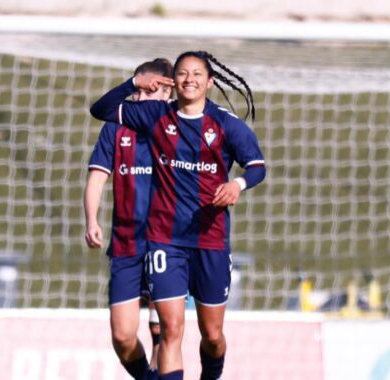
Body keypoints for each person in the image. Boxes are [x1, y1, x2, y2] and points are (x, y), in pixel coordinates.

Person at [90, 51, 266, 380]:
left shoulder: (226, 124)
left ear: (210, 82)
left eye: (197, 74)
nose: (190, 79)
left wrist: (238, 184)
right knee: (171, 331)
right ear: (175, 81)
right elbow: (100, 110)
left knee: (212, 336)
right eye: (183, 73)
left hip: (210, 240)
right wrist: (132, 83)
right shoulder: (156, 115)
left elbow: (257, 166)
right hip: (165, 241)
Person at [84, 58, 174, 380]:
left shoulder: (177, 123)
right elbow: (96, 178)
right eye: (145, 87)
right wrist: (91, 219)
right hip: (126, 244)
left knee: (164, 329)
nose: (149, 94)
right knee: (122, 336)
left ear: (167, 91)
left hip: (169, 244)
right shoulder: (116, 126)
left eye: (157, 88)